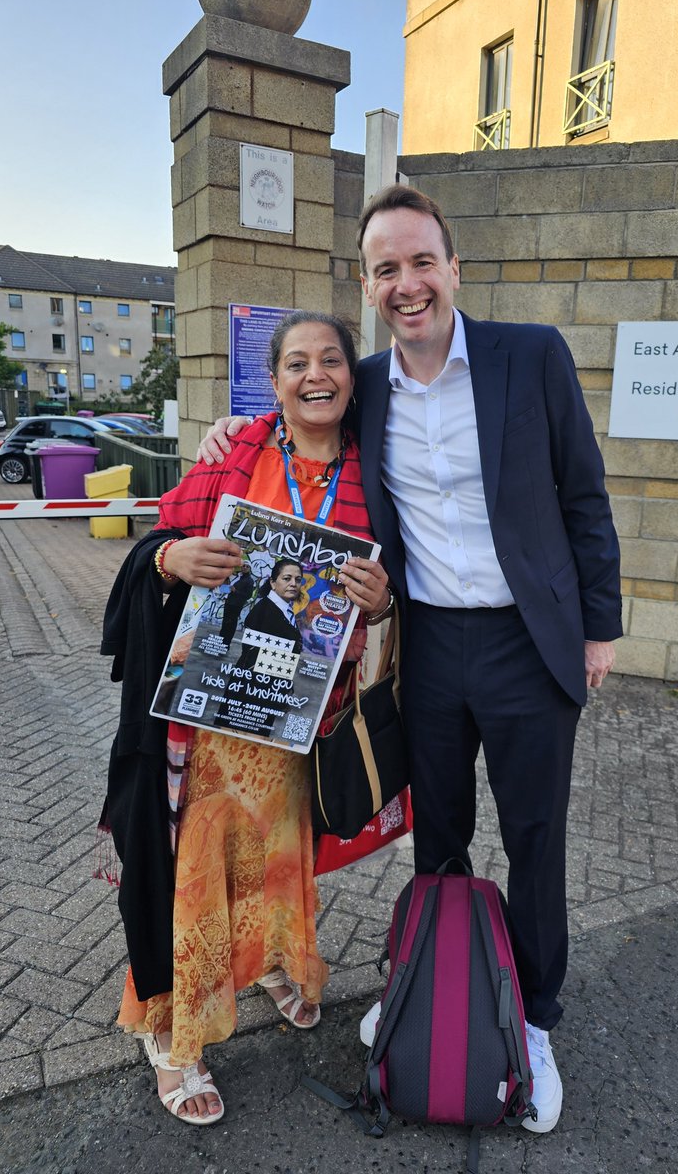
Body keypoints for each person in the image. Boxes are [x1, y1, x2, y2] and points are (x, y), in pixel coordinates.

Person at [198, 185, 623, 1135]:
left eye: (421, 261)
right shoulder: (373, 383)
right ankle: (430, 984)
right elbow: (296, 421)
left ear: (453, 267)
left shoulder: (532, 355)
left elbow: (585, 499)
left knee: (536, 844)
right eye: (386, 269)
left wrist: (598, 631)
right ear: (368, 284)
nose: (407, 283)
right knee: (436, 839)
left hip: (528, 644)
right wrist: (225, 434)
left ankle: (533, 1021)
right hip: (428, 645)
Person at [100, 310, 392, 1125]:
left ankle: (267, 961)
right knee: (196, 876)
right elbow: (155, 544)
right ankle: (173, 1036)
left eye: (330, 360)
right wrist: (170, 558)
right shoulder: (234, 453)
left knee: (277, 860)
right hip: (211, 732)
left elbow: (391, 578)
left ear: (350, 377)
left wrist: (383, 596)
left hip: (299, 725)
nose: (315, 375)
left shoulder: (378, 470)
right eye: (296, 363)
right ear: (274, 381)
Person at [236, 558, 304, 671]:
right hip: (257, 683)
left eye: (298, 580)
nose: (293, 584)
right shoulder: (264, 610)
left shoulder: (283, 608)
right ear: (273, 583)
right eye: (287, 578)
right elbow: (253, 658)